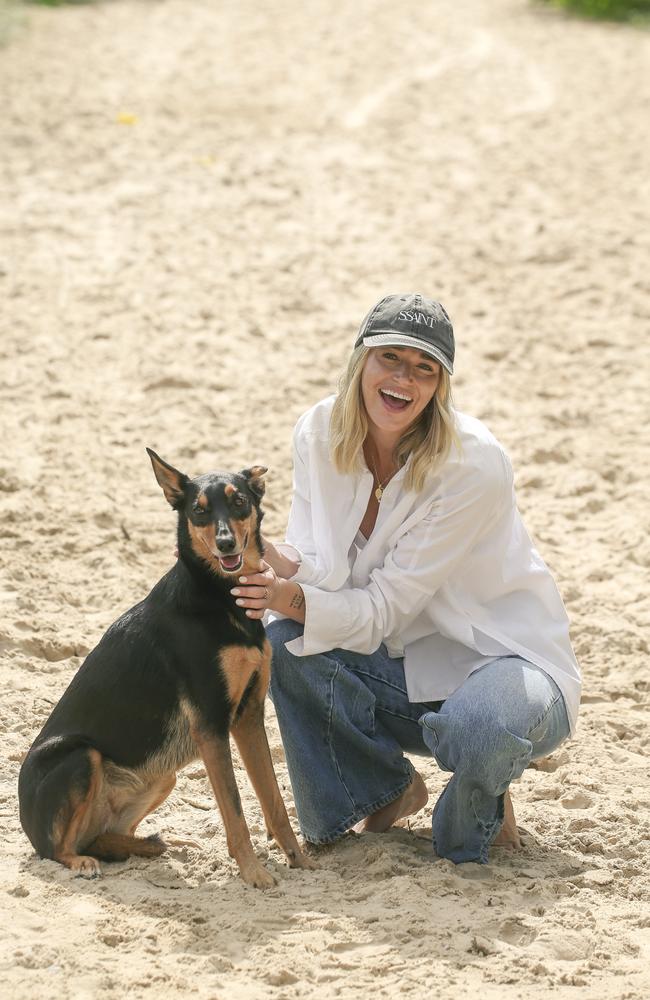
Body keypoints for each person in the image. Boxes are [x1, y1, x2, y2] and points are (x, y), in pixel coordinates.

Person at [229, 293, 580, 864]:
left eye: (424, 368)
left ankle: (480, 789)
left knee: (481, 739)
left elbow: (380, 609)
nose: (403, 379)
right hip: (407, 664)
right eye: (390, 358)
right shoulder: (320, 431)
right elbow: (325, 565)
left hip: (507, 663)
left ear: (440, 385)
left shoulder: (471, 465)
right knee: (283, 640)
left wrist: (286, 596)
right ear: (360, 360)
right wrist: (268, 554)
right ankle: (386, 789)